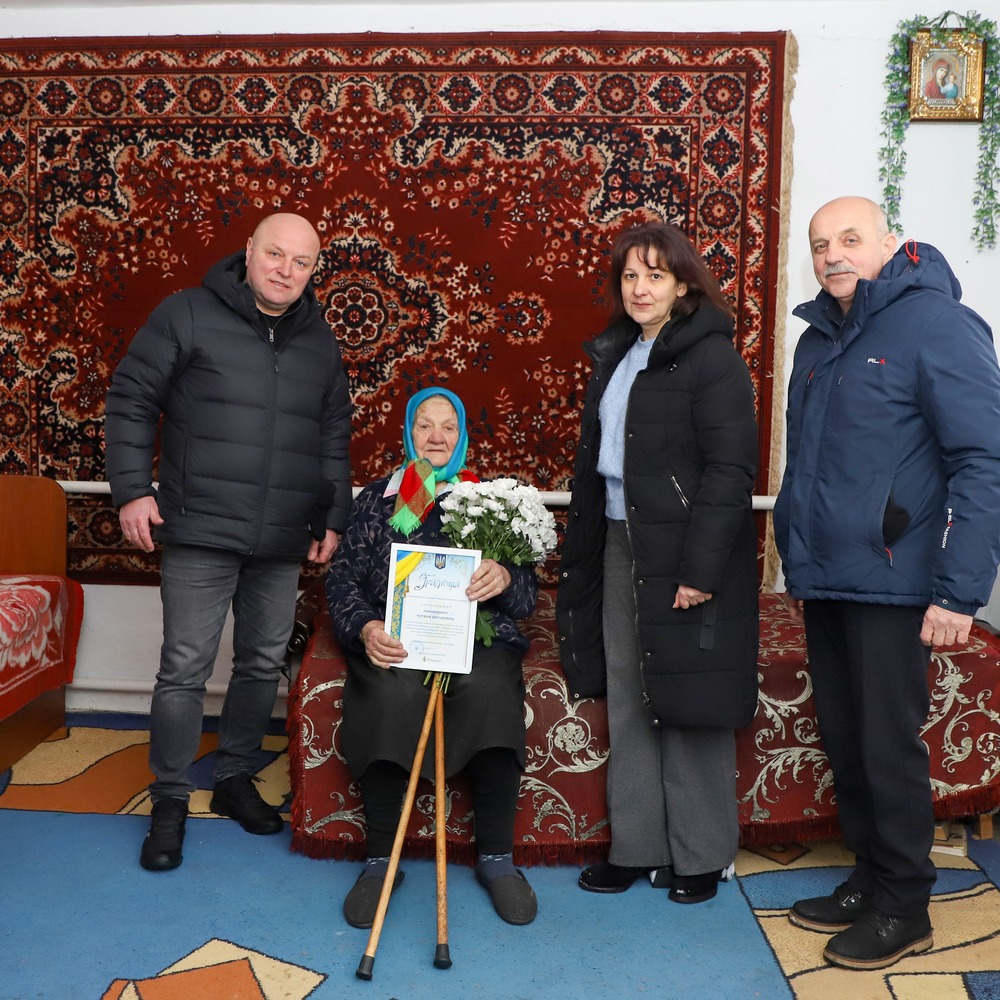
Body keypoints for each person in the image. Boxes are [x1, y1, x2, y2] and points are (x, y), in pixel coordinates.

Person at [773, 196, 1000, 970]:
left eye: (849, 238)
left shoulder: (938, 324)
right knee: (845, 741)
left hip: (896, 580)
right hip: (828, 579)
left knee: (885, 747)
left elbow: (984, 460)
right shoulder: (817, 339)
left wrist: (959, 591)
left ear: (889, 243)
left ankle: (905, 905)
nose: (832, 254)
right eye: (819, 244)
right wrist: (795, 556)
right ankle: (870, 879)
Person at [105, 212, 352, 872]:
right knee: (184, 667)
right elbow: (131, 397)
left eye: (301, 262)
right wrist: (132, 490)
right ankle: (169, 798)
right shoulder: (186, 313)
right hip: (201, 526)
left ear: (312, 271)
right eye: (275, 254)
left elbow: (333, 434)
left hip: (281, 536)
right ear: (249, 251)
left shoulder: (319, 341)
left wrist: (331, 516)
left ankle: (235, 776)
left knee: (262, 661)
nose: (286, 270)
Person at [557, 222, 759, 906]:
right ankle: (636, 848)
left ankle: (700, 856)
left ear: (683, 284)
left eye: (655, 275)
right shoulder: (618, 352)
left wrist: (699, 571)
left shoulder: (714, 359)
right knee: (629, 690)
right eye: (629, 276)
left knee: (690, 695)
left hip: (687, 549)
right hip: (620, 540)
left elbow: (730, 472)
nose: (640, 289)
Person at [325, 386, 540, 928]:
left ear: (462, 435)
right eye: (425, 425)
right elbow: (342, 582)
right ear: (408, 433)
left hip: (475, 640)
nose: (437, 436)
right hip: (399, 639)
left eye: (448, 426)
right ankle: (381, 860)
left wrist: (505, 576)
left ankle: (496, 858)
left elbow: (526, 599)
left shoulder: (489, 502)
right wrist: (367, 627)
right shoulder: (377, 500)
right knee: (389, 691)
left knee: (489, 688)